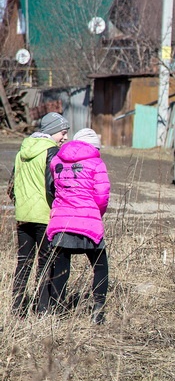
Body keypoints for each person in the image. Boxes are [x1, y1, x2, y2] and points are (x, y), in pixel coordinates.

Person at [46, 128, 110, 325]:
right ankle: (97, 312)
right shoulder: (96, 162)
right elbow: (102, 196)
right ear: (94, 146)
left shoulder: (57, 161)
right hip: (88, 221)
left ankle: (56, 313)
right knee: (100, 265)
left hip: (61, 222)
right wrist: (94, 215)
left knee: (61, 268)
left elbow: (52, 189)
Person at [8, 112, 69, 316]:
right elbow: (54, 188)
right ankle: (42, 310)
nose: (65, 138)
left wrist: (21, 203)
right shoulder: (51, 152)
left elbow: (11, 187)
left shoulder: (21, 151)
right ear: (52, 132)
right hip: (44, 216)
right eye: (63, 132)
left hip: (22, 215)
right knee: (45, 264)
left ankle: (16, 309)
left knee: (23, 262)